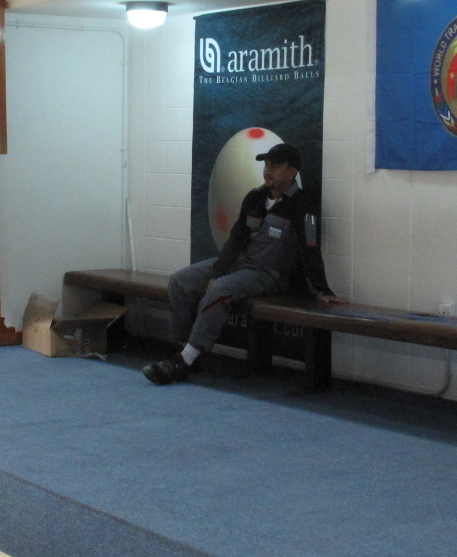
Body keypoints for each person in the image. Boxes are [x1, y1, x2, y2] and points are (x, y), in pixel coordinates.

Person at [143, 142, 345, 385]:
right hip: (240, 264)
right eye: (266, 165)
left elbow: (310, 248)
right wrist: (217, 272)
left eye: (275, 166)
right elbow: (236, 239)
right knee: (180, 281)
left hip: (269, 274)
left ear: (292, 172)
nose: (267, 171)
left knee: (219, 290)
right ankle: (184, 352)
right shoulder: (254, 197)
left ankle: (182, 363)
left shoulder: (305, 206)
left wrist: (322, 289)